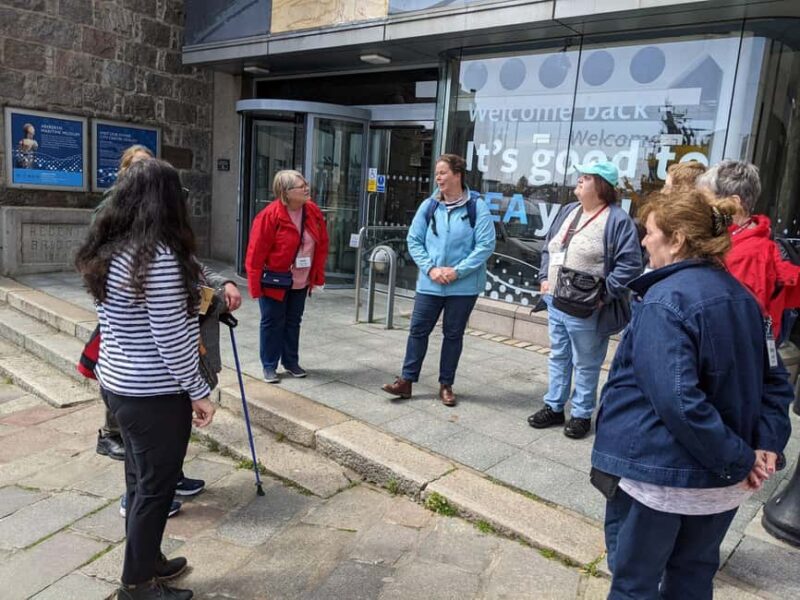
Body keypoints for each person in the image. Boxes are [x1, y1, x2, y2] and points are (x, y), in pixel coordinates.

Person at [591, 188, 793, 599]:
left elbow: (679, 401)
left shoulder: (665, 301)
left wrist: (744, 458)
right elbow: (776, 381)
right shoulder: (745, 300)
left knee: (634, 586)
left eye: (650, 232)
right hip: (720, 483)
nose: (643, 241)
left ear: (678, 239)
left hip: (662, 478)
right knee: (692, 580)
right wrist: (763, 446)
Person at [76, 159, 215, 600]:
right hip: (153, 393)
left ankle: (147, 559)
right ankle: (136, 585)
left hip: (118, 384)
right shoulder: (159, 258)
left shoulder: (110, 250)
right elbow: (171, 340)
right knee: (156, 487)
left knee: (139, 480)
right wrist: (199, 391)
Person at [528, 161, 642, 439]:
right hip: (555, 300)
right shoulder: (569, 210)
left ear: (601, 185)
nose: (579, 180)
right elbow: (550, 247)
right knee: (559, 356)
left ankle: (581, 414)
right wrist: (544, 277)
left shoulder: (617, 220)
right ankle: (554, 406)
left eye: (587, 177)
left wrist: (605, 294)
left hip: (586, 308)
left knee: (586, 362)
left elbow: (630, 265)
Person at [381, 153, 496, 406]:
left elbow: (486, 245)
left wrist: (457, 271)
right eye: (436, 174)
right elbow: (414, 240)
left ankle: (446, 385)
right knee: (418, 330)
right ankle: (406, 381)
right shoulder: (429, 205)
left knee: (453, 335)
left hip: (463, 286)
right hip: (430, 283)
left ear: (458, 175)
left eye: (443, 173)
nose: (438, 178)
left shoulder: (477, 206)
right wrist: (431, 269)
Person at [697, 160, 800, 343]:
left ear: (733, 203)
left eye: (705, 201)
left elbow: (733, 328)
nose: (699, 209)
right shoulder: (740, 241)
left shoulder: (749, 254)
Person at [245, 170, 329, 383]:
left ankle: (291, 361)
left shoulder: (312, 211)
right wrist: (255, 287)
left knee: (293, 321)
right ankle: (269, 365)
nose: (307, 189)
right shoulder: (269, 215)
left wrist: (317, 275)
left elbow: (322, 243)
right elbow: (255, 253)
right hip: (275, 280)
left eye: (306, 184)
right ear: (286, 192)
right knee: (272, 322)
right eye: (301, 186)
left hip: (301, 279)